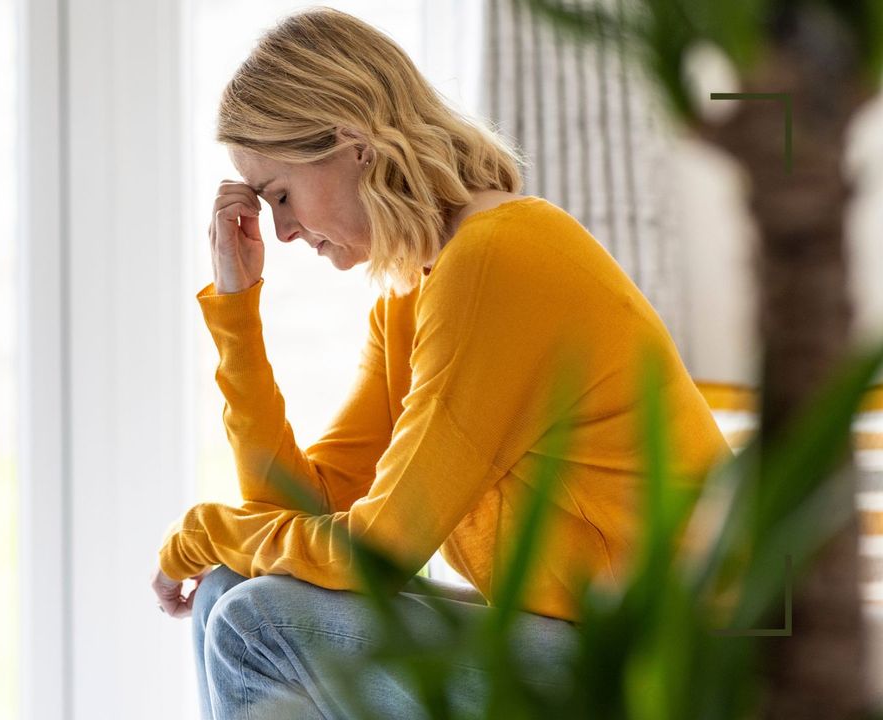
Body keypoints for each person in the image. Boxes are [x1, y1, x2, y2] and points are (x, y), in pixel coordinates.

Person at [151, 7, 734, 719]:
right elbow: (299, 509)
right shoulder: (412, 293)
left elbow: (383, 550)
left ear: (353, 145)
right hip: (578, 639)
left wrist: (203, 531)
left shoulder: (500, 260)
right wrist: (238, 311)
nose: (283, 229)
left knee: (256, 618)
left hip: (670, 666)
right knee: (225, 590)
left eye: (280, 194)